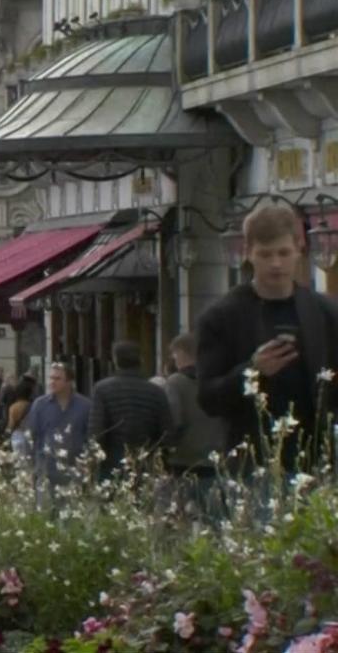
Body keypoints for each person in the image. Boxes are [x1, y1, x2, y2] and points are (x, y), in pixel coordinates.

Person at [196, 202, 338, 473]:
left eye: (284, 253)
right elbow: (208, 399)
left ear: (299, 248)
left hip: (317, 462)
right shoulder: (221, 316)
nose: (276, 264)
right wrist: (252, 371)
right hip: (251, 464)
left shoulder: (326, 313)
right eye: (266, 254)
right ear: (248, 253)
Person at [162, 332, 228, 517]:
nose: (174, 360)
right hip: (215, 458)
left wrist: (167, 449)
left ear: (182, 353)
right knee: (216, 519)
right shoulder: (215, 380)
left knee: (180, 516)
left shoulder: (175, 382)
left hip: (185, 460)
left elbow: (174, 420)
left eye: (174, 355)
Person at [87, 339, 173, 479]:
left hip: (112, 464)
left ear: (116, 360)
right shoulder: (156, 392)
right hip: (146, 463)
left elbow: (96, 431)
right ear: (140, 360)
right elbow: (167, 432)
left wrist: (92, 464)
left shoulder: (102, 389)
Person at [24, 362, 92, 496]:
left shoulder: (85, 406)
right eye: (51, 378)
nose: (52, 382)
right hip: (45, 469)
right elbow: (31, 435)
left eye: (57, 378)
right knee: (44, 512)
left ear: (69, 382)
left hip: (74, 469)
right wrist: (29, 467)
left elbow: (89, 437)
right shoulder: (40, 405)